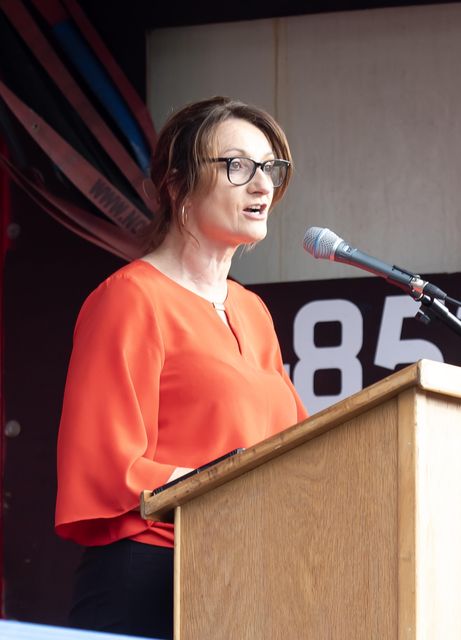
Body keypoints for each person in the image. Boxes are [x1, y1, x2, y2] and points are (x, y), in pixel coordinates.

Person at [55, 95, 308, 639]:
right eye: (237, 166)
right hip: (149, 578)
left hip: (245, 578)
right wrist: (226, 492)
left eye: (271, 168)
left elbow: (294, 455)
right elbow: (107, 465)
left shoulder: (252, 311)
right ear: (175, 183)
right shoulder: (129, 298)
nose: (262, 185)